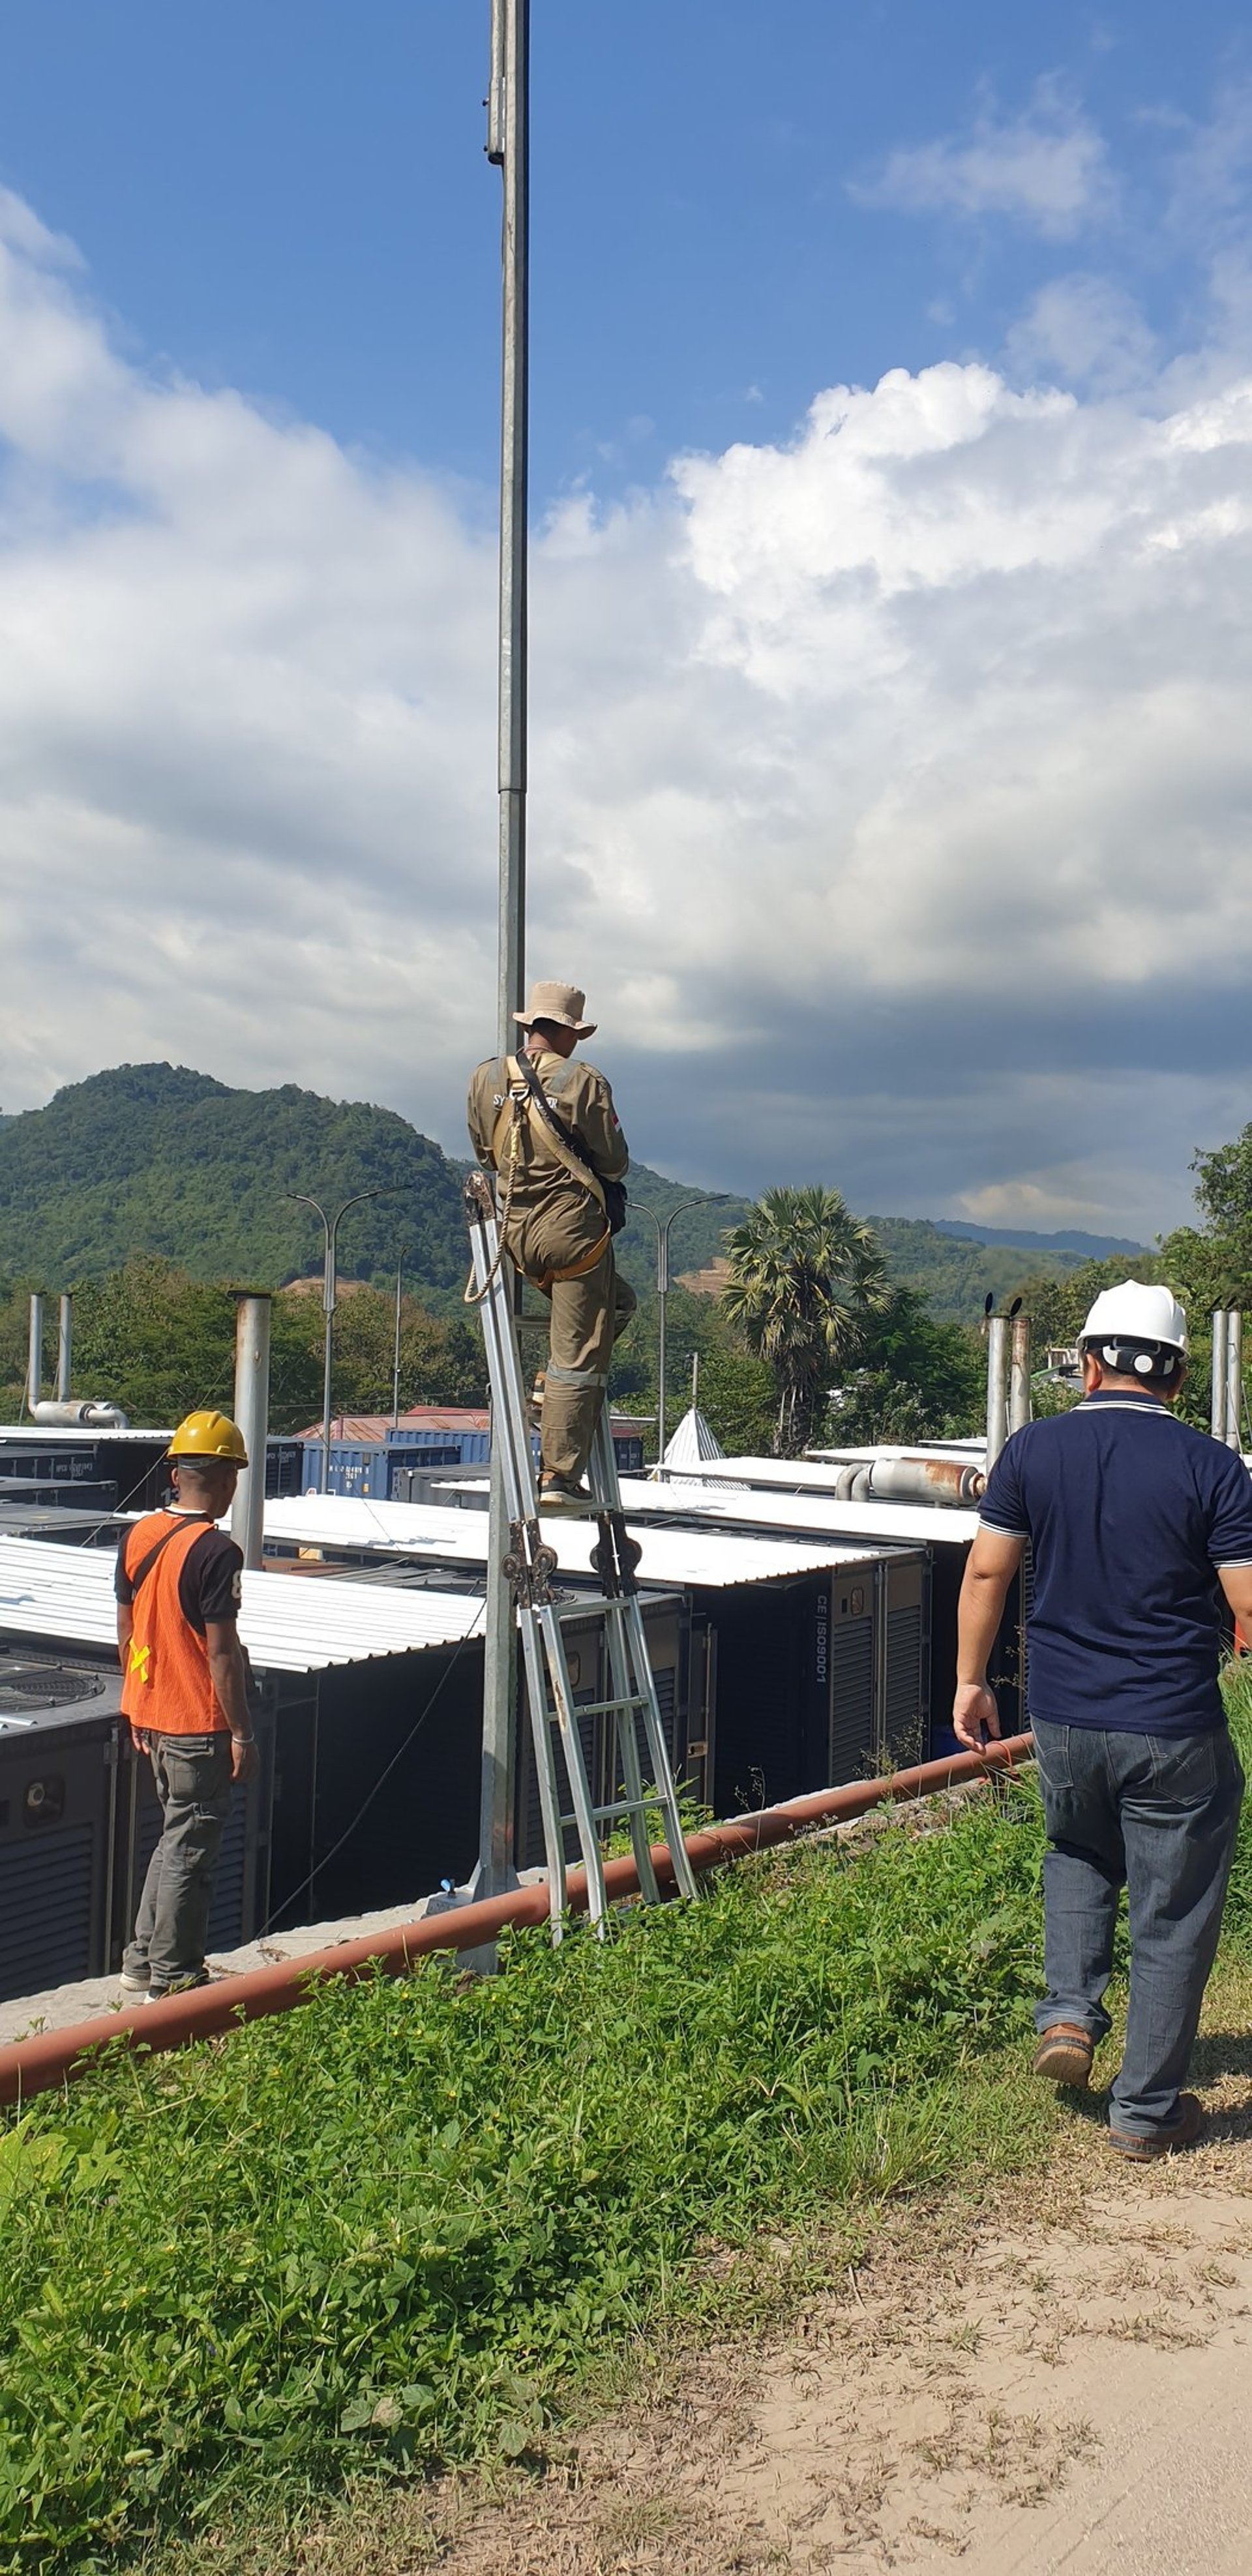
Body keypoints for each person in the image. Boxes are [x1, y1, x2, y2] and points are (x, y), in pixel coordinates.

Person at [954, 1280, 1252, 2161]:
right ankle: (1147, 2110)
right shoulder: (1213, 1467)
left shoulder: (1032, 1452)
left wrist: (972, 1683)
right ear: (1179, 1373)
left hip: (1065, 1718)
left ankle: (1070, 2017)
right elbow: (1245, 1599)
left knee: (1077, 1851)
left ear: (1087, 1363)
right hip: (1173, 1722)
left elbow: (984, 1576)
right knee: (1174, 1908)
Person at [468, 979, 636, 1510]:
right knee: (579, 1355)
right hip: (572, 1237)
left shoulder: (484, 1078)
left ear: (528, 1026)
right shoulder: (583, 1081)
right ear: (567, 1031)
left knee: (621, 1304)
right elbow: (614, 1161)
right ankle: (559, 1474)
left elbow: (484, 1151)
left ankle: (545, 1393)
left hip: (512, 1239)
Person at [115, 1410, 258, 2001]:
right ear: (227, 1480)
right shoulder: (217, 1551)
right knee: (191, 1850)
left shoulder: (138, 1535)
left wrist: (138, 1708)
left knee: (174, 1838)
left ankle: (142, 1961)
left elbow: (126, 1633)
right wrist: (242, 1733)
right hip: (198, 1725)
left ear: (175, 1473)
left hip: (152, 1717)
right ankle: (174, 1979)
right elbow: (221, 1655)